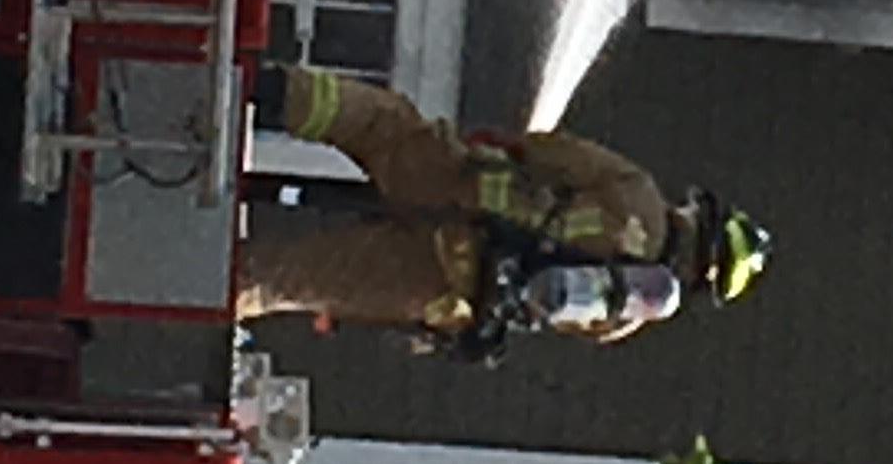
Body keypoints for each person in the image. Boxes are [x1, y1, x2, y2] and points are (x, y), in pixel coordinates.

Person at [234, 64, 765, 353]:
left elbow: (547, 151)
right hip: (449, 285)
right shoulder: (625, 316)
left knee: (378, 123)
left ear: (699, 218)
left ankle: (263, 88)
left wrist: (507, 148)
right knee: (294, 279)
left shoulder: (639, 193)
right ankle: (195, 287)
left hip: (457, 186)